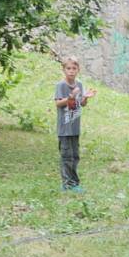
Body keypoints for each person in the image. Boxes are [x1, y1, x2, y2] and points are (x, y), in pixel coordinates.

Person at [54, 57, 96, 192]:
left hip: (75, 127)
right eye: (68, 68)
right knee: (66, 156)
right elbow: (58, 103)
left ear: (78, 70)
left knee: (75, 156)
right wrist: (70, 97)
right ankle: (67, 184)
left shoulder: (79, 85)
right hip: (64, 128)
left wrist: (86, 98)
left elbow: (81, 103)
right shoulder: (61, 85)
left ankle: (74, 183)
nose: (71, 71)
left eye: (74, 68)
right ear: (64, 70)